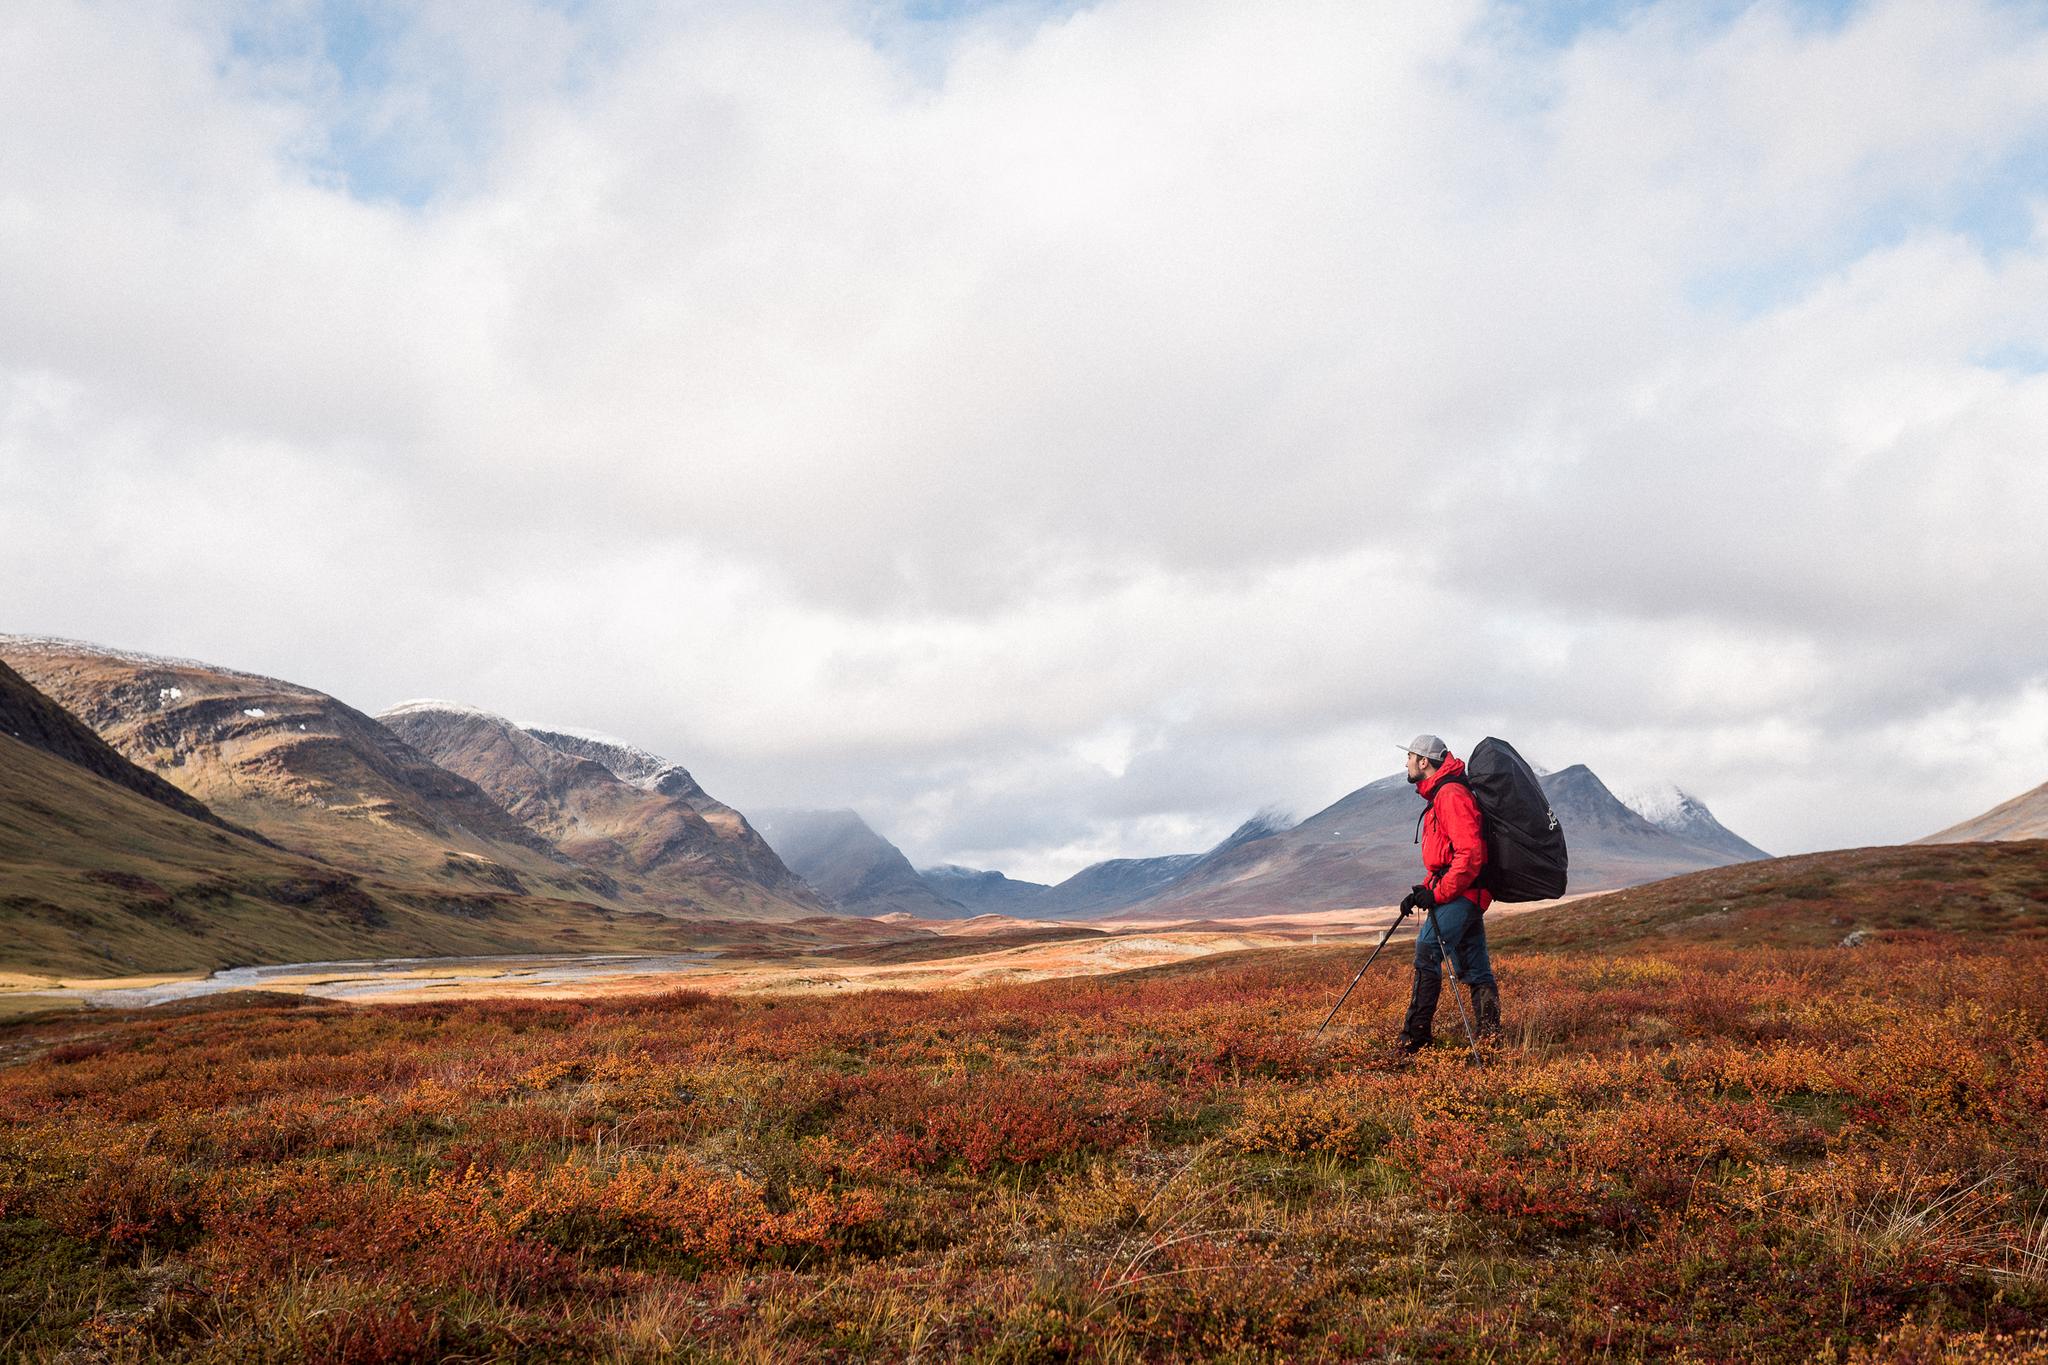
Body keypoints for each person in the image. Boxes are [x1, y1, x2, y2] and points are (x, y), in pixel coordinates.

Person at [1397, 734, 1502, 1051]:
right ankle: (1490, 1040)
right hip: (1466, 892)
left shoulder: (1451, 795)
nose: (1406, 762)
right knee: (1474, 966)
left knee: (1427, 949)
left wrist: (1438, 894)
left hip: (1464, 893)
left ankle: (1416, 1039)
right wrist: (1423, 891)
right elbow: (1446, 857)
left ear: (1424, 762)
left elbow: (1469, 855)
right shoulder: (1441, 793)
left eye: (1410, 757)